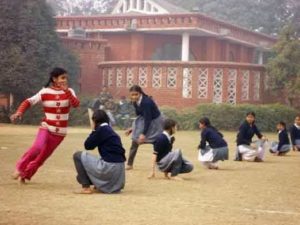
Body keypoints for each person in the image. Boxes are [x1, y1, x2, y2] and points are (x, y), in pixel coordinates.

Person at [10, 67, 80, 184]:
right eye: (62, 78)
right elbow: (28, 101)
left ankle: (25, 175)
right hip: (46, 127)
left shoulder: (70, 91)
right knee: (37, 148)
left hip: (60, 133)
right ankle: (20, 168)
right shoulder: (45, 92)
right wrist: (19, 112)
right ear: (54, 79)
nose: (65, 80)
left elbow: (76, 104)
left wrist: (66, 91)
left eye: (65, 78)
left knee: (42, 158)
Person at [73, 110, 126, 194]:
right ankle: (98, 186)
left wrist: (93, 131)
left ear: (95, 121)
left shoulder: (101, 130)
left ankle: (86, 188)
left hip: (110, 168)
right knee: (80, 176)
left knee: (77, 155)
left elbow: (88, 146)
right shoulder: (110, 130)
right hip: (119, 173)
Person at [125, 85, 163, 170]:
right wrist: (133, 128)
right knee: (135, 140)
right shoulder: (134, 102)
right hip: (145, 120)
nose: (134, 96)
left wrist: (143, 134)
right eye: (132, 95)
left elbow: (148, 119)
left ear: (140, 93)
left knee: (157, 142)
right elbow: (140, 117)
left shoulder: (146, 102)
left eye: (136, 94)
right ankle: (129, 164)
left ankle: (161, 165)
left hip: (155, 122)